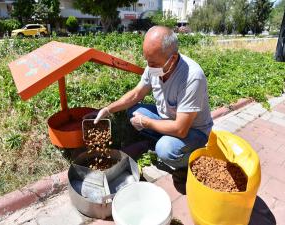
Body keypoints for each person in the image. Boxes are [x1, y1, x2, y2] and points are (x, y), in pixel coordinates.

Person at [91, 26, 213, 170]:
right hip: (168, 118)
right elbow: (137, 94)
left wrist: (145, 122)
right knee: (134, 110)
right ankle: (157, 138)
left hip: (193, 131)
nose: (149, 67)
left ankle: (194, 157)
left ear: (172, 59)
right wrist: (107, 109)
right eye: (147, 61)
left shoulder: (192, 77)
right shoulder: (156, 66)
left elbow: (181, 129)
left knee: (166, 150)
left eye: (153, 63)